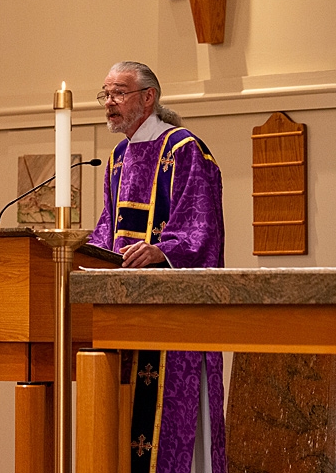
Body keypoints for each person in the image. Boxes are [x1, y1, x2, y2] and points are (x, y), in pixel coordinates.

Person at [87, 61, 226, 473]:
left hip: (171, 318)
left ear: (149, 97)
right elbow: (107, 227)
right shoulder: (117, 157)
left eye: (119, 93)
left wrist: (161, 251)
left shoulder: (185, 149)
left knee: (172, 431)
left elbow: (203, 227)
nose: (109, 103)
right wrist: (82, 257)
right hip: (121, 316)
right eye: (106, 94)